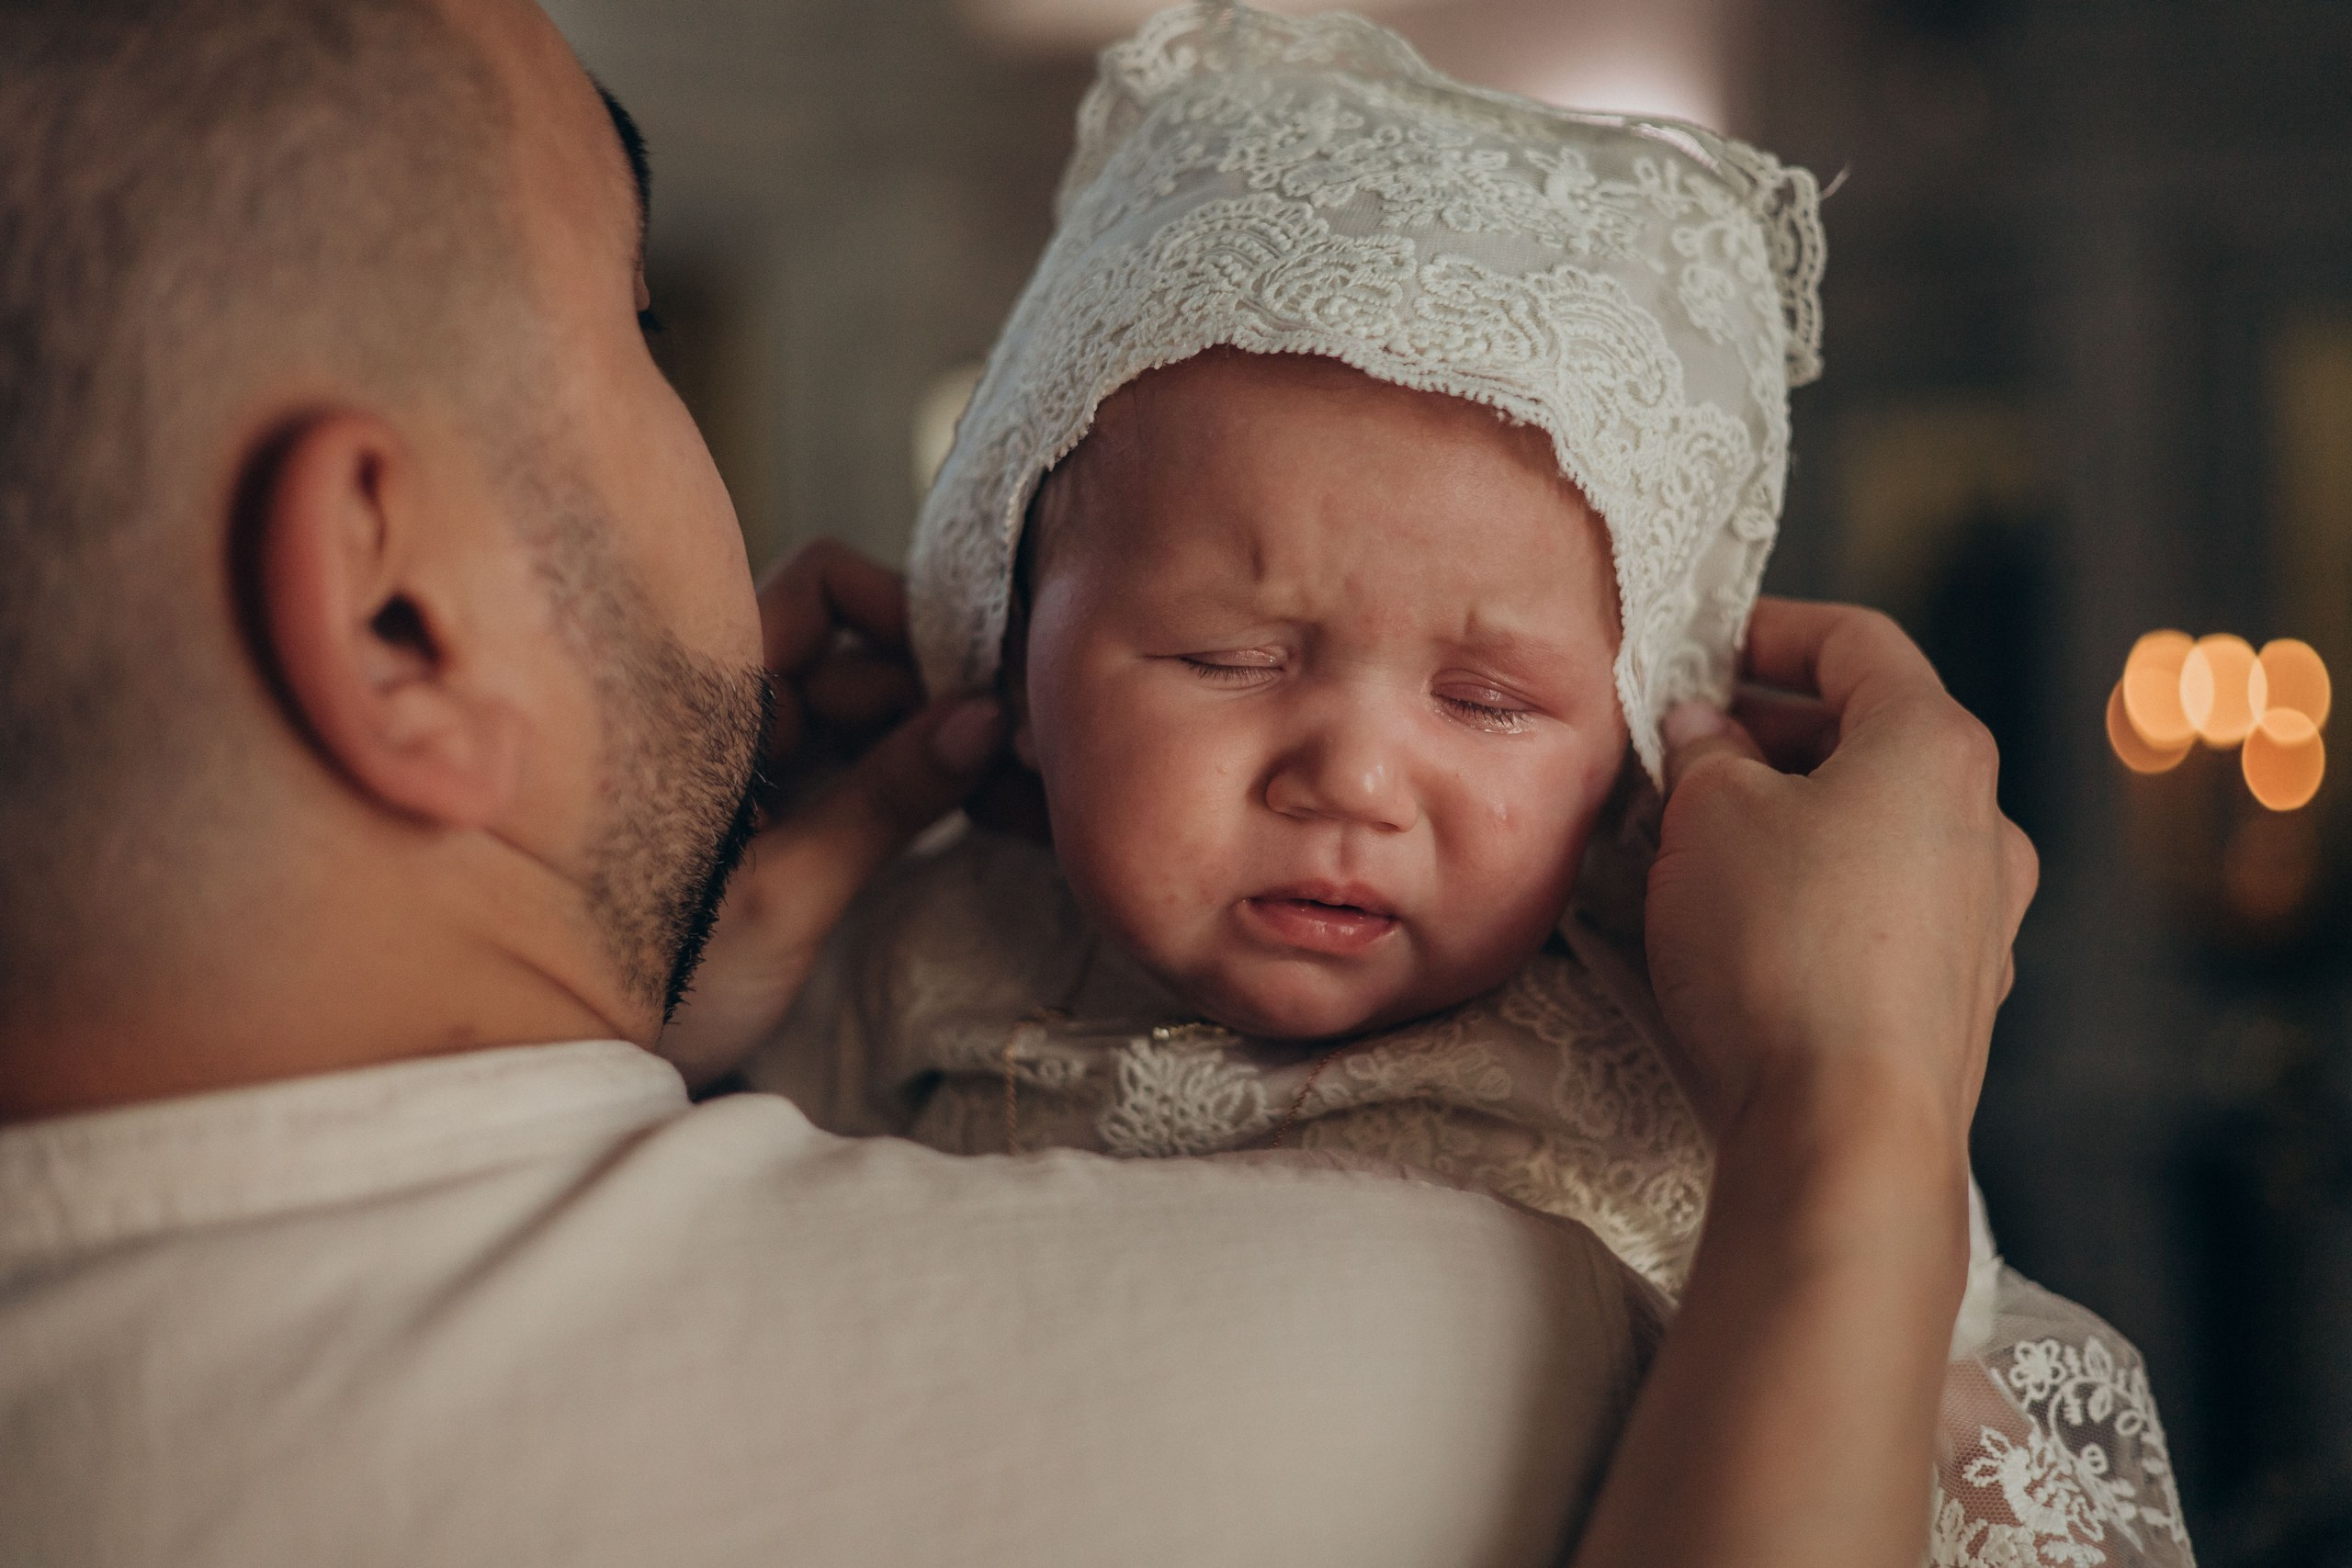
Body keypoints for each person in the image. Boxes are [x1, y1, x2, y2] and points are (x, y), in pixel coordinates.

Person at [0, 2, 2038, 1566]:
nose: (1344, 765)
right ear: (395, 613)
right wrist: (1853, 1106)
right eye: (642, 327)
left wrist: (612, 983)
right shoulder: (1499, 1349)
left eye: (1491, 697)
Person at [744, 13, 2192, 1565]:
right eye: (1230, 657)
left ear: (1641, 754)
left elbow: (1917, 1415)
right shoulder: (904, 954)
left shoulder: (1687, 1049)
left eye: (1489, 700)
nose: (1354, 776)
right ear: (1010, 667)